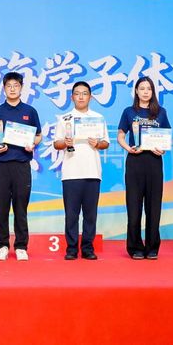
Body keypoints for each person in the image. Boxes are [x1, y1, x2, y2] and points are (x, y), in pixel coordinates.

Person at [0, 72, 42, 261]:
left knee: (21, 207)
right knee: (1, 207)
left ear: (21, 87)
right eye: (9, 85)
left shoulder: (30, 111)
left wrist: (32, 144)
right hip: (1, 165)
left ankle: (21, 246)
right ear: (4, 88)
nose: (12, 89)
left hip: (22, 164)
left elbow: (38, 136)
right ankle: (2, 245)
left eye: (16, 85)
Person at [53, 81, 110, 260]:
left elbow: (106, 143)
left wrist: (98, 143)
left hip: (92, 171)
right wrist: (65, 142)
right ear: (72, 97)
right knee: (71, 215)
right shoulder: (65, 119)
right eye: (77, 94)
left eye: (84, 93)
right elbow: (56, 143)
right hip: (71, 172)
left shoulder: (98, 118)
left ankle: (87, 248)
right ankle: (71, 249)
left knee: (90, 214)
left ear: (90, 97)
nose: (81, 97)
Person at [117, 76, 171, 260]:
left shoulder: (161, 112)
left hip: (154, 162)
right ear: (136, 91)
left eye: (149, 89)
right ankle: (135, 247)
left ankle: (152, 247)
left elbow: (166, 137)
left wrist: (162, 150)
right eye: (142, 88)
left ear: (153, 91)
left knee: (153, 207)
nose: (146, 92)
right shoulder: (129, 112)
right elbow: (120, 135)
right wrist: (128, 148)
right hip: (135, 162)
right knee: (134, 208)